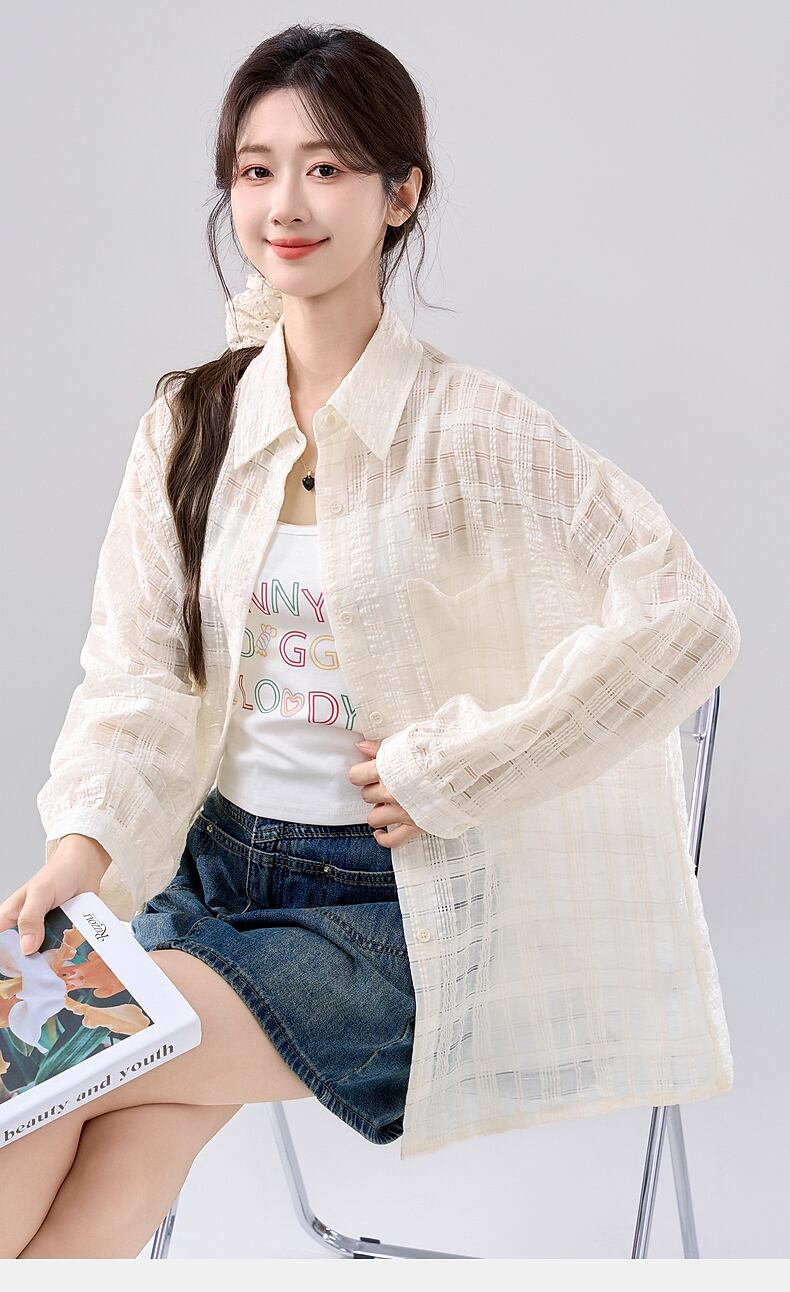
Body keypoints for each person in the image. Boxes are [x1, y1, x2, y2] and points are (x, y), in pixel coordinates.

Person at [0, 22, 741, 1260]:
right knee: (69, 1130)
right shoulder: (191, 423)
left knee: (39, 1072)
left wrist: (460, 768)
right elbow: (137, 672)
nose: (286, 204)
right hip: (209, 879)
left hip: (389, 924)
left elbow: (686, 616)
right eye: (256, 169)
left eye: (328, 167)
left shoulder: (469, 428)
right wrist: (82, 848)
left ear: (400, 194)